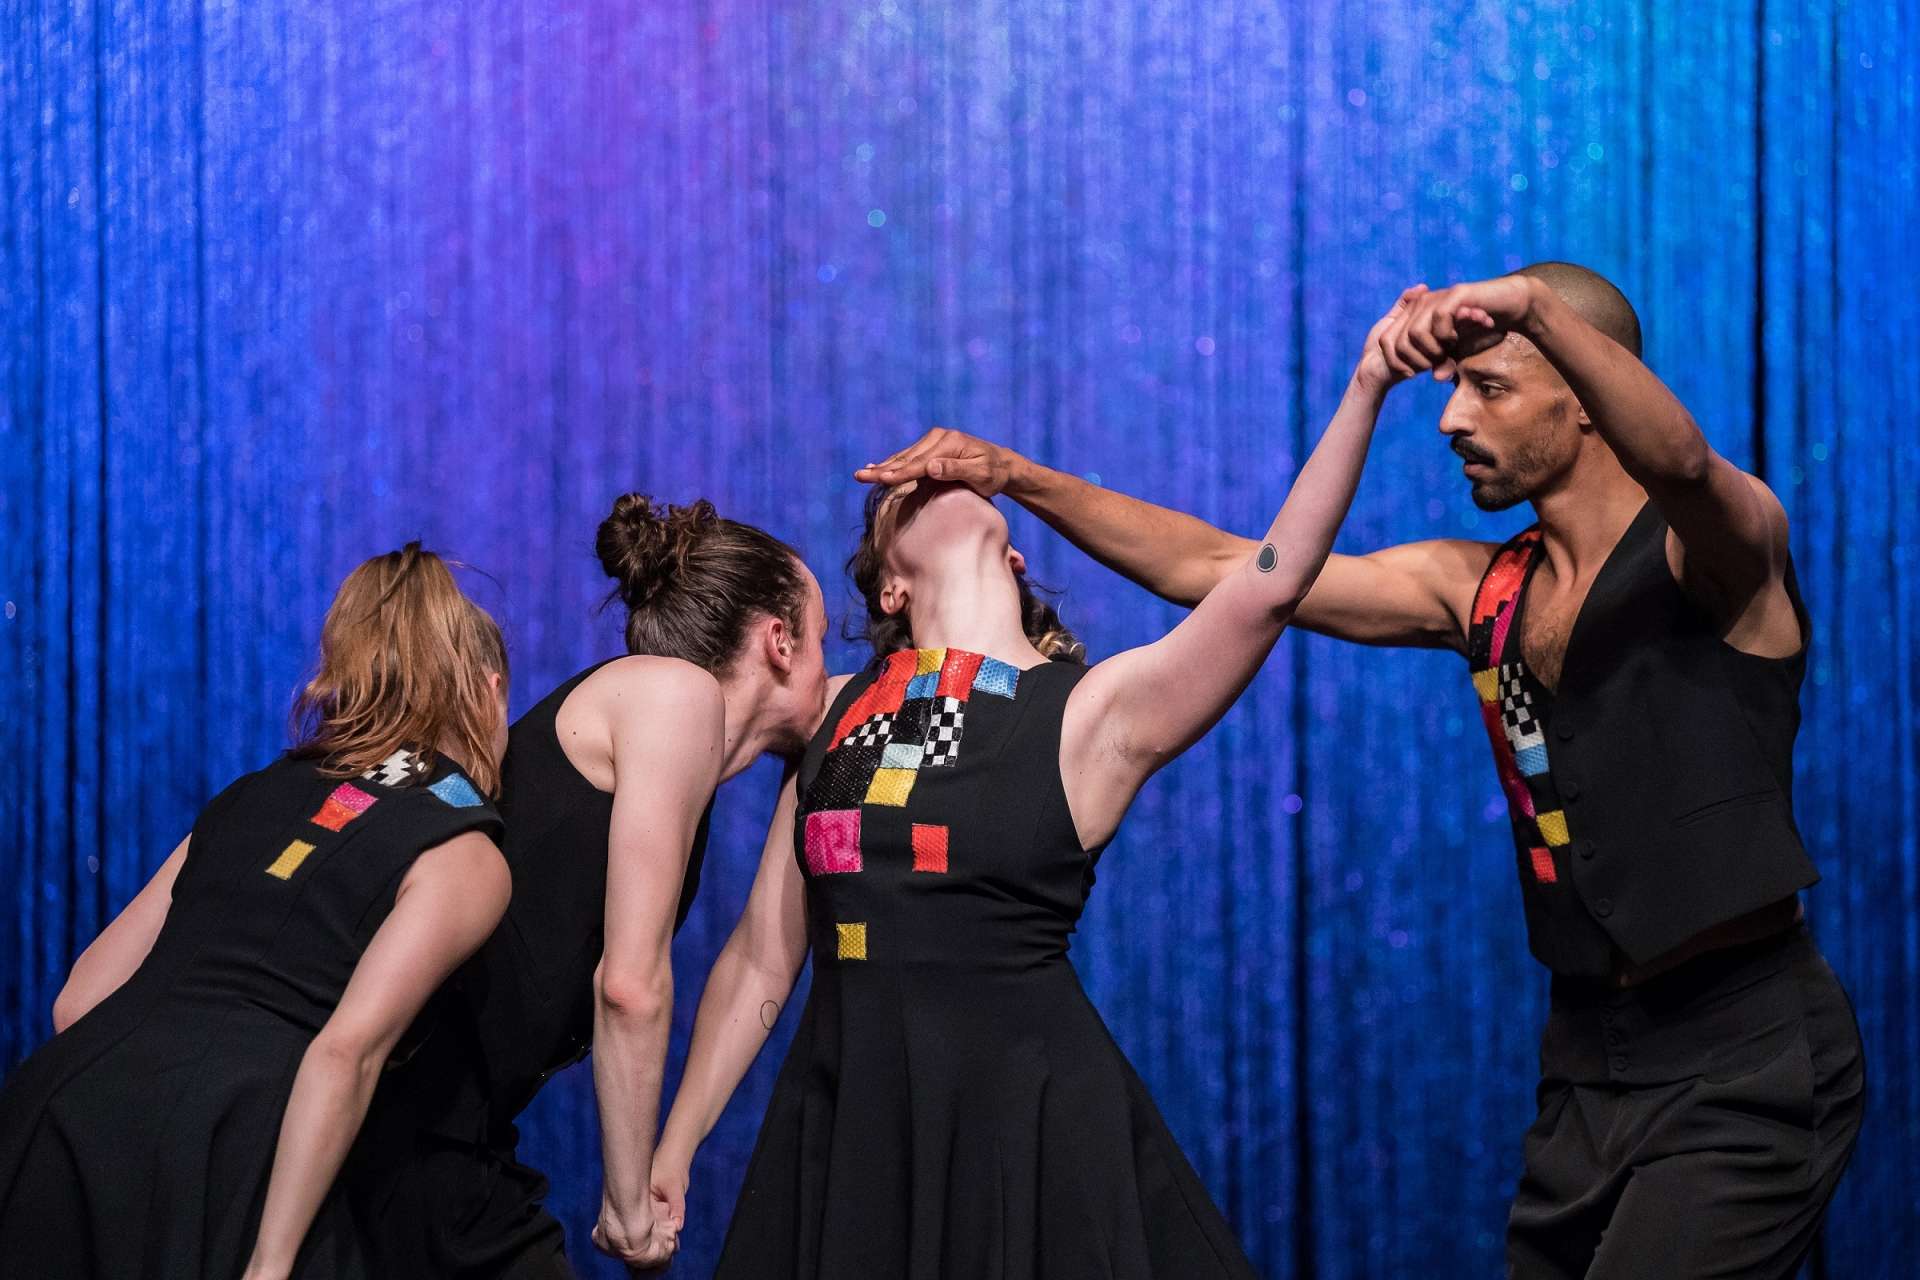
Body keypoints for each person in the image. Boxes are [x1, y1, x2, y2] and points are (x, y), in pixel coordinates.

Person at [857, 263, 1866, 1278]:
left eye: (1491, 388)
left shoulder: (1720, 553)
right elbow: (1213, 568)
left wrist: (1529, 305)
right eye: (1455, 389)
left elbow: (1684, 464)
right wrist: (1016, 475)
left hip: (1744, 1053)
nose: (1453, 420)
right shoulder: (1477, 587)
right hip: (1589, 1060)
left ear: (1587, 395)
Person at [644, 290, 1421, 1280]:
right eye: (895, 496)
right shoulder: (840, 708)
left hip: (1024, 1127)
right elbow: (762, 957)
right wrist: (673, 1148)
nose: (927, 476)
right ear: (889, 585)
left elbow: (1270, 580)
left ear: (1014, 552)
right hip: (857, 1126)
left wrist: (1365, 385)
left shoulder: (1092, 716)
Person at [0, 543, 513, 1280]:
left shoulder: (249, 795)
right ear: (490, 694)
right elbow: (345, 1054)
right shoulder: (464, 852)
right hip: (215, 1153)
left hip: (57, 1122)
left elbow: (78, 1001)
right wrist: (272, 1263)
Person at [352, 495, 829, 1277]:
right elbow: (630, 988)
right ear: (779, 641)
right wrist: (628, 1204)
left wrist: (666, 1159)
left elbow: (744, 962)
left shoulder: (668, 726)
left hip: (444, 1142)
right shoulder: (674, 697)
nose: (827, 670)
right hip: (399, 1136)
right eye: (820, 640)